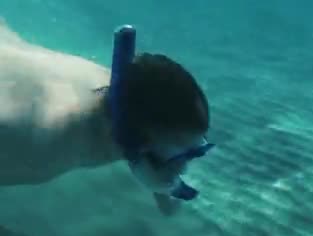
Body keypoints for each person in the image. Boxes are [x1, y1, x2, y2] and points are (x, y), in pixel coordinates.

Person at [0, 20, 212, 214]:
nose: (182, 169)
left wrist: (165, 186)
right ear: (137, 137)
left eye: (191, 152)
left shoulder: (125, 92)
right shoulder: (45, 145)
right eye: (177, 156)